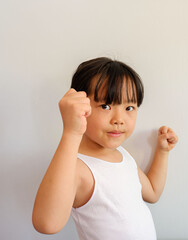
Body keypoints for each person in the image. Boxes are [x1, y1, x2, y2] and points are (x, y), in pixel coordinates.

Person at [32, 57, 178, 240]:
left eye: (129, 107)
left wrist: (163, 152)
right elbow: (47, 224)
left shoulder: (123, 155)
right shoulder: (78, 167)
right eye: (106, 106)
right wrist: (71, 132)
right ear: (82, 107)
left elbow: (153, 193)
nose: (119, 119)